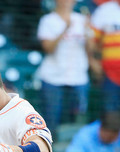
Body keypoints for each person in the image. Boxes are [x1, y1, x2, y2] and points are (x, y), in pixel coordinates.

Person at [36, 0, 91, 135]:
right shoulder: (48, 20)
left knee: (78, 118)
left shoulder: (82, 19)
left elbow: (91, 49)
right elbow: (48, 48)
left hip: (78, 77)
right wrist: (64, 30)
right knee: (51, 121)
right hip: (53, 77)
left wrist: (88, 32)